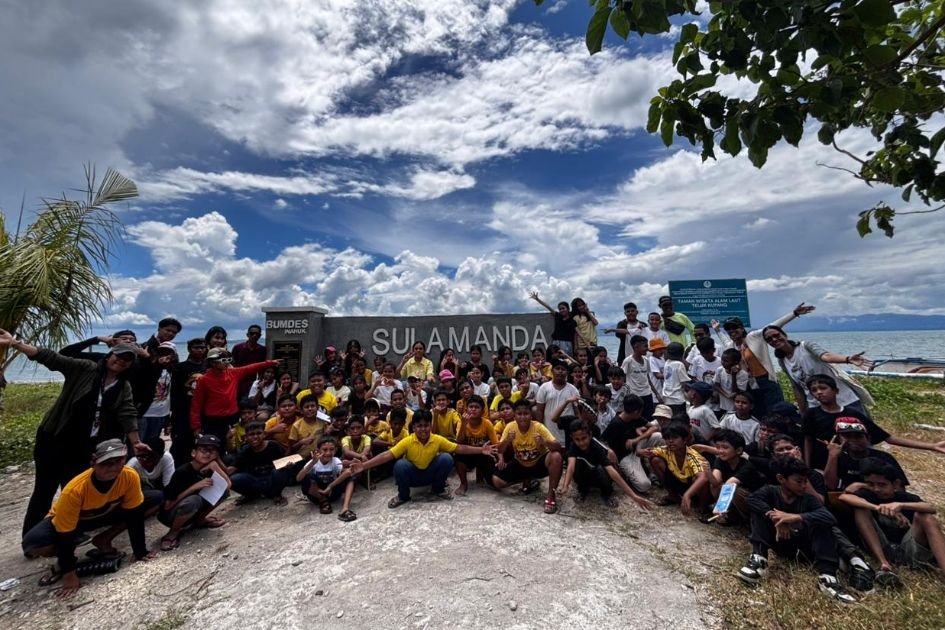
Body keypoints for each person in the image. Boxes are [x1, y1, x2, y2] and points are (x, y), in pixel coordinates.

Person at [0, 330, 151, 536]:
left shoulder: (123, 386)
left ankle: (67, 531)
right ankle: (32, 538)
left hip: (86, 446)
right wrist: (16, 344)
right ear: (110, 355)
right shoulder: (85, 369)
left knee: (75, 489)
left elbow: (128, 413)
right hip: (55, 439)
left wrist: (136, 443)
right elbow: (52, 358)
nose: (122, 361)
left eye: (127, 359)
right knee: (44, 490)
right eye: (119, 355)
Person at [21, 439, 155, 598]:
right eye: (106, 463)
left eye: (118, 461)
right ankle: (67, 558)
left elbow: (134, 515)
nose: (112, 467)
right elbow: (64, 534)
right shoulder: (75, 490)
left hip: (106, 513)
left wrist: (140, 551)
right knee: (33, 543)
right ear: (94, 463)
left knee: (154, 500)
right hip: (75, 521)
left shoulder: (129, 476)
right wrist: (68, 574)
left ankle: (104, 539)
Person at [740, 457, 856, 603]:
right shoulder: (770, 491)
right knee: (760, 511)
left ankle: (828, 577)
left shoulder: (808, 499)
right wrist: (776, 517)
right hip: (780, 541)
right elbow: (752, 500)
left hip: (803, 548)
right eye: (799, 481)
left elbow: (829, 517)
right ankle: (759, 560)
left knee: (821, 523)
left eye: (805, 481)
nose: (803, 486)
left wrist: (794, 517)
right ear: (781, 479)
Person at [351, 410, 497, 508]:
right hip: (413, 477)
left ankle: (438, 489)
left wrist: (481, 450)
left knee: (446, 458)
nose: (423, 429)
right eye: (419, 426)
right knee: (400, 465)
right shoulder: (408, 441)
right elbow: (387, 455)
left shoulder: (437, 439)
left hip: (430, 476)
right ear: (413, 427)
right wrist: (364, 466)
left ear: (430, 426)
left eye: (426, 425)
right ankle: (403, 496)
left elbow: (459, 448)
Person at [802, 374, 945, 470]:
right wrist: (807, 467)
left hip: (852, 465)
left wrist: (931, 446)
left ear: (836, 391)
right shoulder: (812, 414)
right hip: (822, 464)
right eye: (814, 390)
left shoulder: (853, 414)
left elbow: (887, 438)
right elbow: (807, 440)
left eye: (823, 388)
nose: (819, 392)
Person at [839, 459, 945, 586]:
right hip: (882, 547)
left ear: (895, 484)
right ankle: (883, 563)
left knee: (926, 517)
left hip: (909, 550)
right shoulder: (868, 495)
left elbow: (931, 508)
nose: (876, 489)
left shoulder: (904, 498)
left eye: (882, 485)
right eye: (871, 484)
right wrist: (876, 507)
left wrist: (900, 505)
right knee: (861, 510)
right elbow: (844, 497)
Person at [721, 303, 814, 418]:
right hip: (749, 385)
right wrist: (716, 330)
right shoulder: (732, 346)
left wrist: (794, 314)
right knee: (758, 414)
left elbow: (774, 326)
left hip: (767, 381)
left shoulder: (754, 337)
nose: (731, 331)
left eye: (734, 328)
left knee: (777, 413)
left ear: (741, 328)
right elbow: (725, 345)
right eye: (728, 329)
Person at [764, 326, 874, 414]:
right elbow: (797, 387)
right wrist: (803, 412)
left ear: (785, 335)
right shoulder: (782, 361)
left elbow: (826, 356)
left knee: (861, 435)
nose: (774, 340)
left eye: (776, 335)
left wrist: (848, 359)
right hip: (817, 407)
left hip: (844, 400)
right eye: (769, 339)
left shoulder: (805, 346)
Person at [191, 347, 280, 445]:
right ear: (213, 362)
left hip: (232, 418)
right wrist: (196, 427)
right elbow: (196, 405)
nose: (227, 363)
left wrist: (269, 363)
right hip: (213, 420)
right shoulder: (204, 380)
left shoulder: (233, 373)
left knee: (233, 444)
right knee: (215, 445)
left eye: (229, 360)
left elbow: (250, 368)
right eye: (223, 360)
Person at [159, 434, 231, 551]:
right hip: (170, 515)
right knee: (194, 500)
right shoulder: (182, 472)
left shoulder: (210, 467)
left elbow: (227, 485)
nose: (207, 454)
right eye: (203, 450)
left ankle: (199, 520)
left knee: (222, 490)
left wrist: (215, 466)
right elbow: (168, 506)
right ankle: (172, 533)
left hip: (192, 510)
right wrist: (193, 487)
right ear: (193, 453)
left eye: (212, 451)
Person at [561, 419, 653, 511]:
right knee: (578, 464)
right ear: (572, 438)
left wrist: (634, 496)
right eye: (577, 439)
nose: (581, 443)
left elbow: (612, 472)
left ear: (590, 435)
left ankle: (607, 494)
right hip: (586, 475)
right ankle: (583, 491)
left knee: (601, 469)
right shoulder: (573, 446)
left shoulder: (597, 447)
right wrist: (565, 486)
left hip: (600, 476)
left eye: (584, 438)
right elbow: (571, 467)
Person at [492, 399, 564, 514]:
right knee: (497, 481)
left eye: (526, 414)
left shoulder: (538, 427)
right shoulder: (510, 427)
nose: (522, 417)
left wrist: (544, 441)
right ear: (514, 416)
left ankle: (551, 496)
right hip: (521, 463)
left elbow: (558, 447)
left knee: (556, 456)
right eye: (519, 414)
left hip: (539, 464)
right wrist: (507, 440)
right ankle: (527, 480)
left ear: (531, 415)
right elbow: (499, 449)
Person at [642, 422, 710, 516]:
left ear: (684, 439)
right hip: (678, 482)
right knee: (655, 460)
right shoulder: (666, 450)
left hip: (692, 487)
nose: (670, 441)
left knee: (699, 480)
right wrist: (642, 451)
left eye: (675, 438)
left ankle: (703, 506)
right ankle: (673, 496)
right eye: (667, 438)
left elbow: (703, 478)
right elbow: (646, 452)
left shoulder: (692, 456)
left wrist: (687, 495)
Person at [823, 418, 909, 491]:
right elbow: (831, 485)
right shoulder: (839, 458)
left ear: (868, 439)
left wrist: (862, 486)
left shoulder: (884, 457)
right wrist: (832, 456)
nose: (853, 440)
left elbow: (900, 488)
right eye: (848, 437)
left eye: (858, 436)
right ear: (839, 439)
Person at [603, 397, 666, 494]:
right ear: (636, 411)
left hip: (636, 446)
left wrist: (637, 439)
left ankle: (656, 468)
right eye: (641, 411)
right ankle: (628, 472)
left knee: (658, 436)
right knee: (644, 485)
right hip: (625, 456)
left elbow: (654, 427)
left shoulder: (635, 417)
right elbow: (604, 441)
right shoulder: (615, 424)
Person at [227, 422, 291, 506]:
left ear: (264, 434)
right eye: (251, 434)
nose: (255, 437)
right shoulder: (245, 450)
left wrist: (288, 466)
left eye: (259, 433)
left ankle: (277, 494)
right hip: (256, 481)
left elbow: (282, 462)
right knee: (233, 479)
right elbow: (232, 468)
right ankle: (251, 495)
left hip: (272, 479)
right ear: (246, 437)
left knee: (280, 471)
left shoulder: (273, 445)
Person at [708, 430, 765, 525]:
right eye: (718, 447)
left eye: (725, 447)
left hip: (754, 501)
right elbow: (715, 481)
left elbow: (730, 484)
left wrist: (720, 508)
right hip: (733, 497)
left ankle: (742, 518)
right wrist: (707, 471)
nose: (720, 451)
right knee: (716, 486)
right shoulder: (720, 461)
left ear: (738, 450)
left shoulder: (747, 466)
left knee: (735, 491)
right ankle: (728, 514)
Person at [296, 436, 358, 521]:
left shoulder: (336, 461)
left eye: (331, 449)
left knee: (351, 477)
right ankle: (323, 501)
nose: (328, 453)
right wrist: (312, 462)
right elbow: (298, 478)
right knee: (307, 476)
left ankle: (345, 509)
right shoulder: (313, 462)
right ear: (318, 451)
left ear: (335, 450)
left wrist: (330, 487)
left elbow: (347, 473)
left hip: (331, 492)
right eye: (324, 450)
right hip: (316, 495)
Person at [169, 337, 208, 465]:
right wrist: (172, 415)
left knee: (202, 444)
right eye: (196, 347)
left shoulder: (209, 366)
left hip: (204, 411)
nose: (200, 350)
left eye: (202, 347)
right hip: (183, 411)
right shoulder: (179, 368)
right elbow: (174, 392)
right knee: (181, 444)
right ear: (189, 349)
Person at [454, 400, 499, 496]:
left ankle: (480, 475)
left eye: (477, 407)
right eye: (471, 407)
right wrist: (463, 425)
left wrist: (500, 460)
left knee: (494, 483)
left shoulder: (487, 424)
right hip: (468, 453)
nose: (473, 409)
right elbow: (459, 442)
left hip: (484, 454)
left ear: (482, 411)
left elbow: (495, 444)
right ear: (466, 409)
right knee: (458, 455)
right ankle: (463, 484)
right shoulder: (462, 422)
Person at [535, 360, 581, 443]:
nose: (560, 371)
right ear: (552, 371)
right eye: (557, 368)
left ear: (567, 372)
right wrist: (539, 429)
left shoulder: (573, 390)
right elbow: (539, 411)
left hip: (567, 432)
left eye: (563, 369)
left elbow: (577, 412)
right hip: (549, 431)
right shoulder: (544, 388)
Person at [620, 335, 657, 419]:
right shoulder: (628, 361)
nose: (647, 348)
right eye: (645, 346)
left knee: (649, 417)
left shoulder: (646, 360)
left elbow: (647, 377)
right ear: (636, 347)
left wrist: (656, 393)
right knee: (635, 418)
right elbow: (623, 378)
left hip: (647, 394)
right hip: (634, 395)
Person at [530, 291, 578, 355]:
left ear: (568, 309)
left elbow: (575, 335)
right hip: (556, 342)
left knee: (567, 360)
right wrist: (538, 299)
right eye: (560, 309)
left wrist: (575, 346)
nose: (561, 310)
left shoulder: (572, 321)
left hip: (567, 343)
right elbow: (548, 307)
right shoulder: (558, 316)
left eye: (563, 308)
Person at [231, 324, 267, 399]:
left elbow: (262, 367)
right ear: (247, 334)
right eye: (252, 333)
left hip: (252, 381)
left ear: (260, 335)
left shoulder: (262, 349)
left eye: (257, 334)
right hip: (238, 381)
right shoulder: (238, 348)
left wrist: (261, 381)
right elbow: (232, 364)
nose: (254, 335)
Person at [606, 302, 647, 366]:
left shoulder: (643, 325)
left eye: (632, 311)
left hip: (641, 355)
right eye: (628, 311)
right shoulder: (622, 324)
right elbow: (618, 335)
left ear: (637, 312)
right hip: (624, 355)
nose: (630, 313)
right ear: (625, 313)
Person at [288, 394, 329, 459]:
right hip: (302, 459)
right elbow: (291, 449)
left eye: (312, 406)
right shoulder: (296, 426)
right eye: (307, 407)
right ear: (301, 410)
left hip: (319, 458)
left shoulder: (323, 422)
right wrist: (301, 442)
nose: (310, 409)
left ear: (317, 407)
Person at [713, 348, 749, 415]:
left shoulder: (743, 374)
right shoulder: (720, 370)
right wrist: (727, 395)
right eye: (722, 360)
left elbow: (735, 392)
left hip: (735, 408)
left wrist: (733, 376)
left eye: (726, 361)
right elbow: (715, 385)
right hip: (722, 405)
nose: (723, 363)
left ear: (735, 362)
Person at [661, 342, 691, 416]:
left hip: (667, 397)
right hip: (677, 399)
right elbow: (684, 383)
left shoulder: (667, 363)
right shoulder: (679, 364)